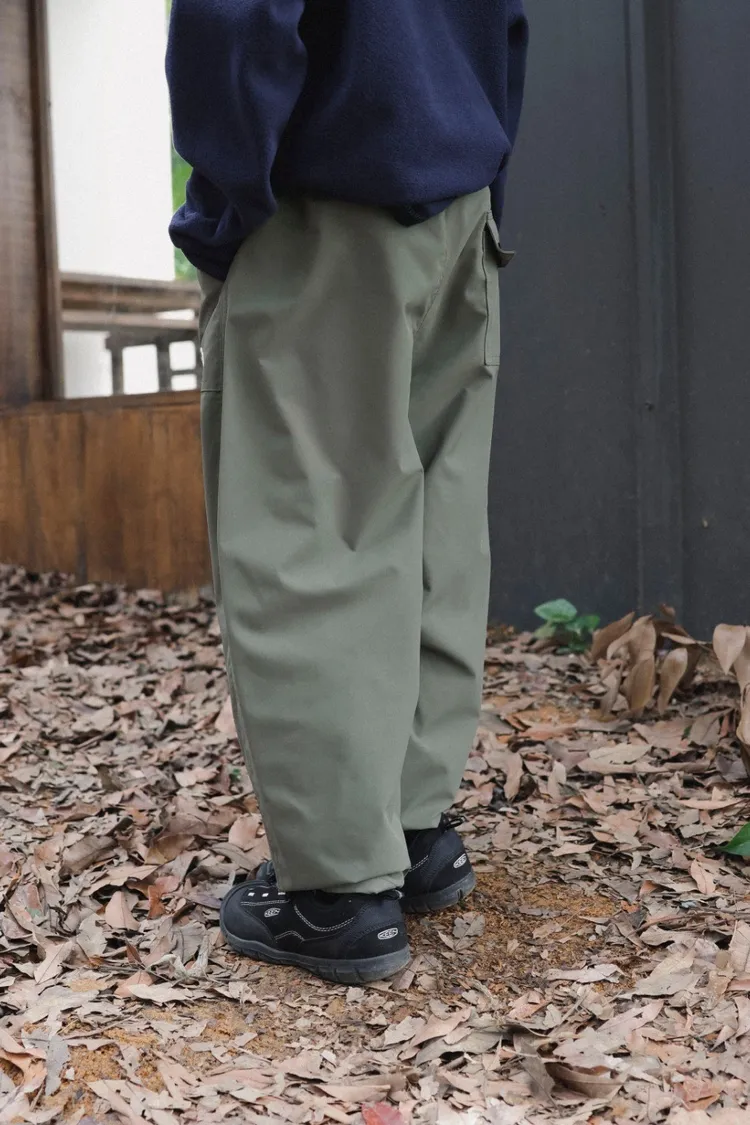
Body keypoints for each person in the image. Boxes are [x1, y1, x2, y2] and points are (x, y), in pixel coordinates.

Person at [167, 0, 528, 984]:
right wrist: (480, 175)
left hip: (323, 191)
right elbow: (505, 23)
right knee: (434, 518)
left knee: (310, 524)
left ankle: (337, 891)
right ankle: (410, 831)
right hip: (457, 196)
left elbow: (239, 18)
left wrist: (226, 208)